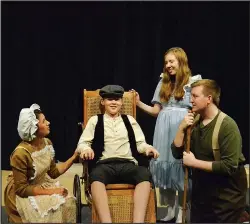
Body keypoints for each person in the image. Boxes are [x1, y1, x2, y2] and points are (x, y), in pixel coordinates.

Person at [131, 47, 201, 222]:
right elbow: (156, 110)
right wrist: (138, 103)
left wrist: (190, 124)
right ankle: (170, 208)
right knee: (164, 167)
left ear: (181, 61)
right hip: (163, 129)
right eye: (166, 62)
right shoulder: (163, 82)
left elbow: (197, 108)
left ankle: (181, 209)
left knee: (179, 168)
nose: (168, 65)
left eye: (171, 61)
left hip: (181, 127)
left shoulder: (192, 83)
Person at [77, 85, 160, 223]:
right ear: (103, 102)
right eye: (109, 99)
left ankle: (138, 221)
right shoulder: (95, 120)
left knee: (144, 174)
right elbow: (82, 143)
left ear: (122, 102)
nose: (113, 103)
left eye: (117, 99)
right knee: (96, 176)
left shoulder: (129, 120)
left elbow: (141, 143)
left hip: (127, 163)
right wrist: (86, 149)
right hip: (104, 164)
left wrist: (148, 149)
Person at [172, 79, 247, 223]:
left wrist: (194, 163)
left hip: (226, 199)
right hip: (202, 195)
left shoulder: (227, 126)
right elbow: (177, 153)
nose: (191, 100)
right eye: (190, 96)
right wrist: (181, 129)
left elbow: (229, 166)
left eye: (195, 96)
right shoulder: (193, 122)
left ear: (209, 99)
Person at [4, 104, 79, 223]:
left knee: (68, 201)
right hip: (24, 192)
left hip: (42, 184)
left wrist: (74, 157)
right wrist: (53, 192)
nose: (48, 123)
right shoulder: (20, 154)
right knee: (50, 211)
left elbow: (53, 172)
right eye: (44, 121)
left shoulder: (47, 143)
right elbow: (22, 189)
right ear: (34, 128)